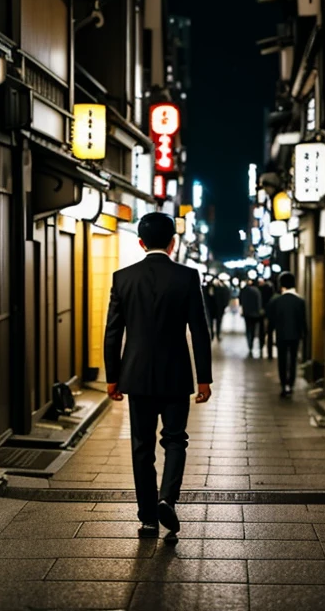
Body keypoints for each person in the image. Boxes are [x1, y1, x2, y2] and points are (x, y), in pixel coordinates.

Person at [103, 212, 213, 539]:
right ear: (173, 242)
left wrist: (113, 377)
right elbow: (200, 330)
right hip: (177, 373)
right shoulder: (187, 277)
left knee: (141, 445)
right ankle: (168, 497)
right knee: (176, 439)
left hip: (136, 376)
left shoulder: (123, 278)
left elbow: (113, 333)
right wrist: (203, 378)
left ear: (140, 242)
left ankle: (148, 517)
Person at [266, 271, 307, 396]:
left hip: (281, 335)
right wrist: (305, 334)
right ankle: (291, 383)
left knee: (282, 360)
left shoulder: (276, 301)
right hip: (295, 335)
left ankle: (284, 385)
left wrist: (268, 339)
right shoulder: (300, 301)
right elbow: (302, 321)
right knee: (293, 359)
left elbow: (271, 322)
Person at [239, 279, 263, 357]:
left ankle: (249, 343)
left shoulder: (244, 291)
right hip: (255, 313)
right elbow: (259, 303)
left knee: (248, 328)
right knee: (253, 329)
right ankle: (251, 342)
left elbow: (241, 301)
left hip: (247, 313)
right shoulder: (257, 291)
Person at [256, 277, 275, 359]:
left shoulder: (259, 290)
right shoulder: (270, 289)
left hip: (262, 312)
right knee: (269, 332)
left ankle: (261, 345)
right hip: (269, 313)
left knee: (262, 330)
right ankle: (269, 352)